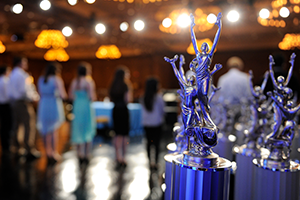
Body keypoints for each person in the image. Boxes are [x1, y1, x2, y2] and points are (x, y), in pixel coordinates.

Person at [8, 56, 40, 159]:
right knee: (28, 124)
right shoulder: (22, 75)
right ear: (20, 63)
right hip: (22, 102)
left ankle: (17, 147)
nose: (26, 64)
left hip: (13, 102)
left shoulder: (11, 74)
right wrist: (34, 97)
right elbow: (24, 91)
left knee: (16, 125)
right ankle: (29, 148)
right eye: (24, 62)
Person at [37, 62, 67, 162]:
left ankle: (47, 152)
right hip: (53, 104)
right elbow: (63, 95)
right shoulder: (56, 79)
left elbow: (40, 93)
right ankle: (54, 152)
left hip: (44, 104)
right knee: (53, 130)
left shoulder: (41, 79)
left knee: (45, 130)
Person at [69, 62, 96, 164]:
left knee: (78, 128)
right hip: (86, 106)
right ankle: (86, 153)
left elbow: (71, 96)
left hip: (78, 106)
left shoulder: (74, 82)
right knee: (87, 128)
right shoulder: (88, 82)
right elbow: (92, 97)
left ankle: (79, 153)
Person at [109, 66, 133, 168]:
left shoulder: (113, 85)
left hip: (115, 110)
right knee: (124, 135)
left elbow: (110, 98)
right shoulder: (126, 85)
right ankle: (123, 157)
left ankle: (117, 156)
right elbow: (128, 99)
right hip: (123, 109)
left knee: (117, 134)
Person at [140, 77, 165, 170]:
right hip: (157, 123)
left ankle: (150, 161)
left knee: (149, 143)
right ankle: (156, 162)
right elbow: (163, 110)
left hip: (147, 124)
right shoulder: (158, 97)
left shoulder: (143, 97)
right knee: (156, 144)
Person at [0, 65, 12, 155]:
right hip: (5, 105)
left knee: (3, 125)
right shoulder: (5, 81)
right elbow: (9, 94)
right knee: (7, 126)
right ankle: (6, 146)